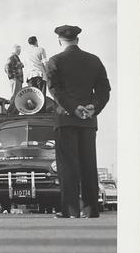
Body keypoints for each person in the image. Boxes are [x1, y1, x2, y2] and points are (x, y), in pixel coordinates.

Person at [46, 24, 111, 219]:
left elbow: (55, 90)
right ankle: (91, 209)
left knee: (67, 166)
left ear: (59, 40)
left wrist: (73, 108)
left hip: (65, 119)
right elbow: (104, 90)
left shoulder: (55, 61)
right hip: (88, 121)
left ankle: (70, 209)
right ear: (77, 39)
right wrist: (93, 107)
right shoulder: (94, 60)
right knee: (88, 164)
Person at [5, 44, 24, 114]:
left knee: (17, 95)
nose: (20, 52)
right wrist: (12, 77)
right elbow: (7, 67)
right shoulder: (12, 57)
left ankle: (14, 112)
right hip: (16, 79)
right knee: (15, 96)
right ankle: (11, 112)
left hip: (17, 79)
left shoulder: (15, 57)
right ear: (16, 50)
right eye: (19, 50)